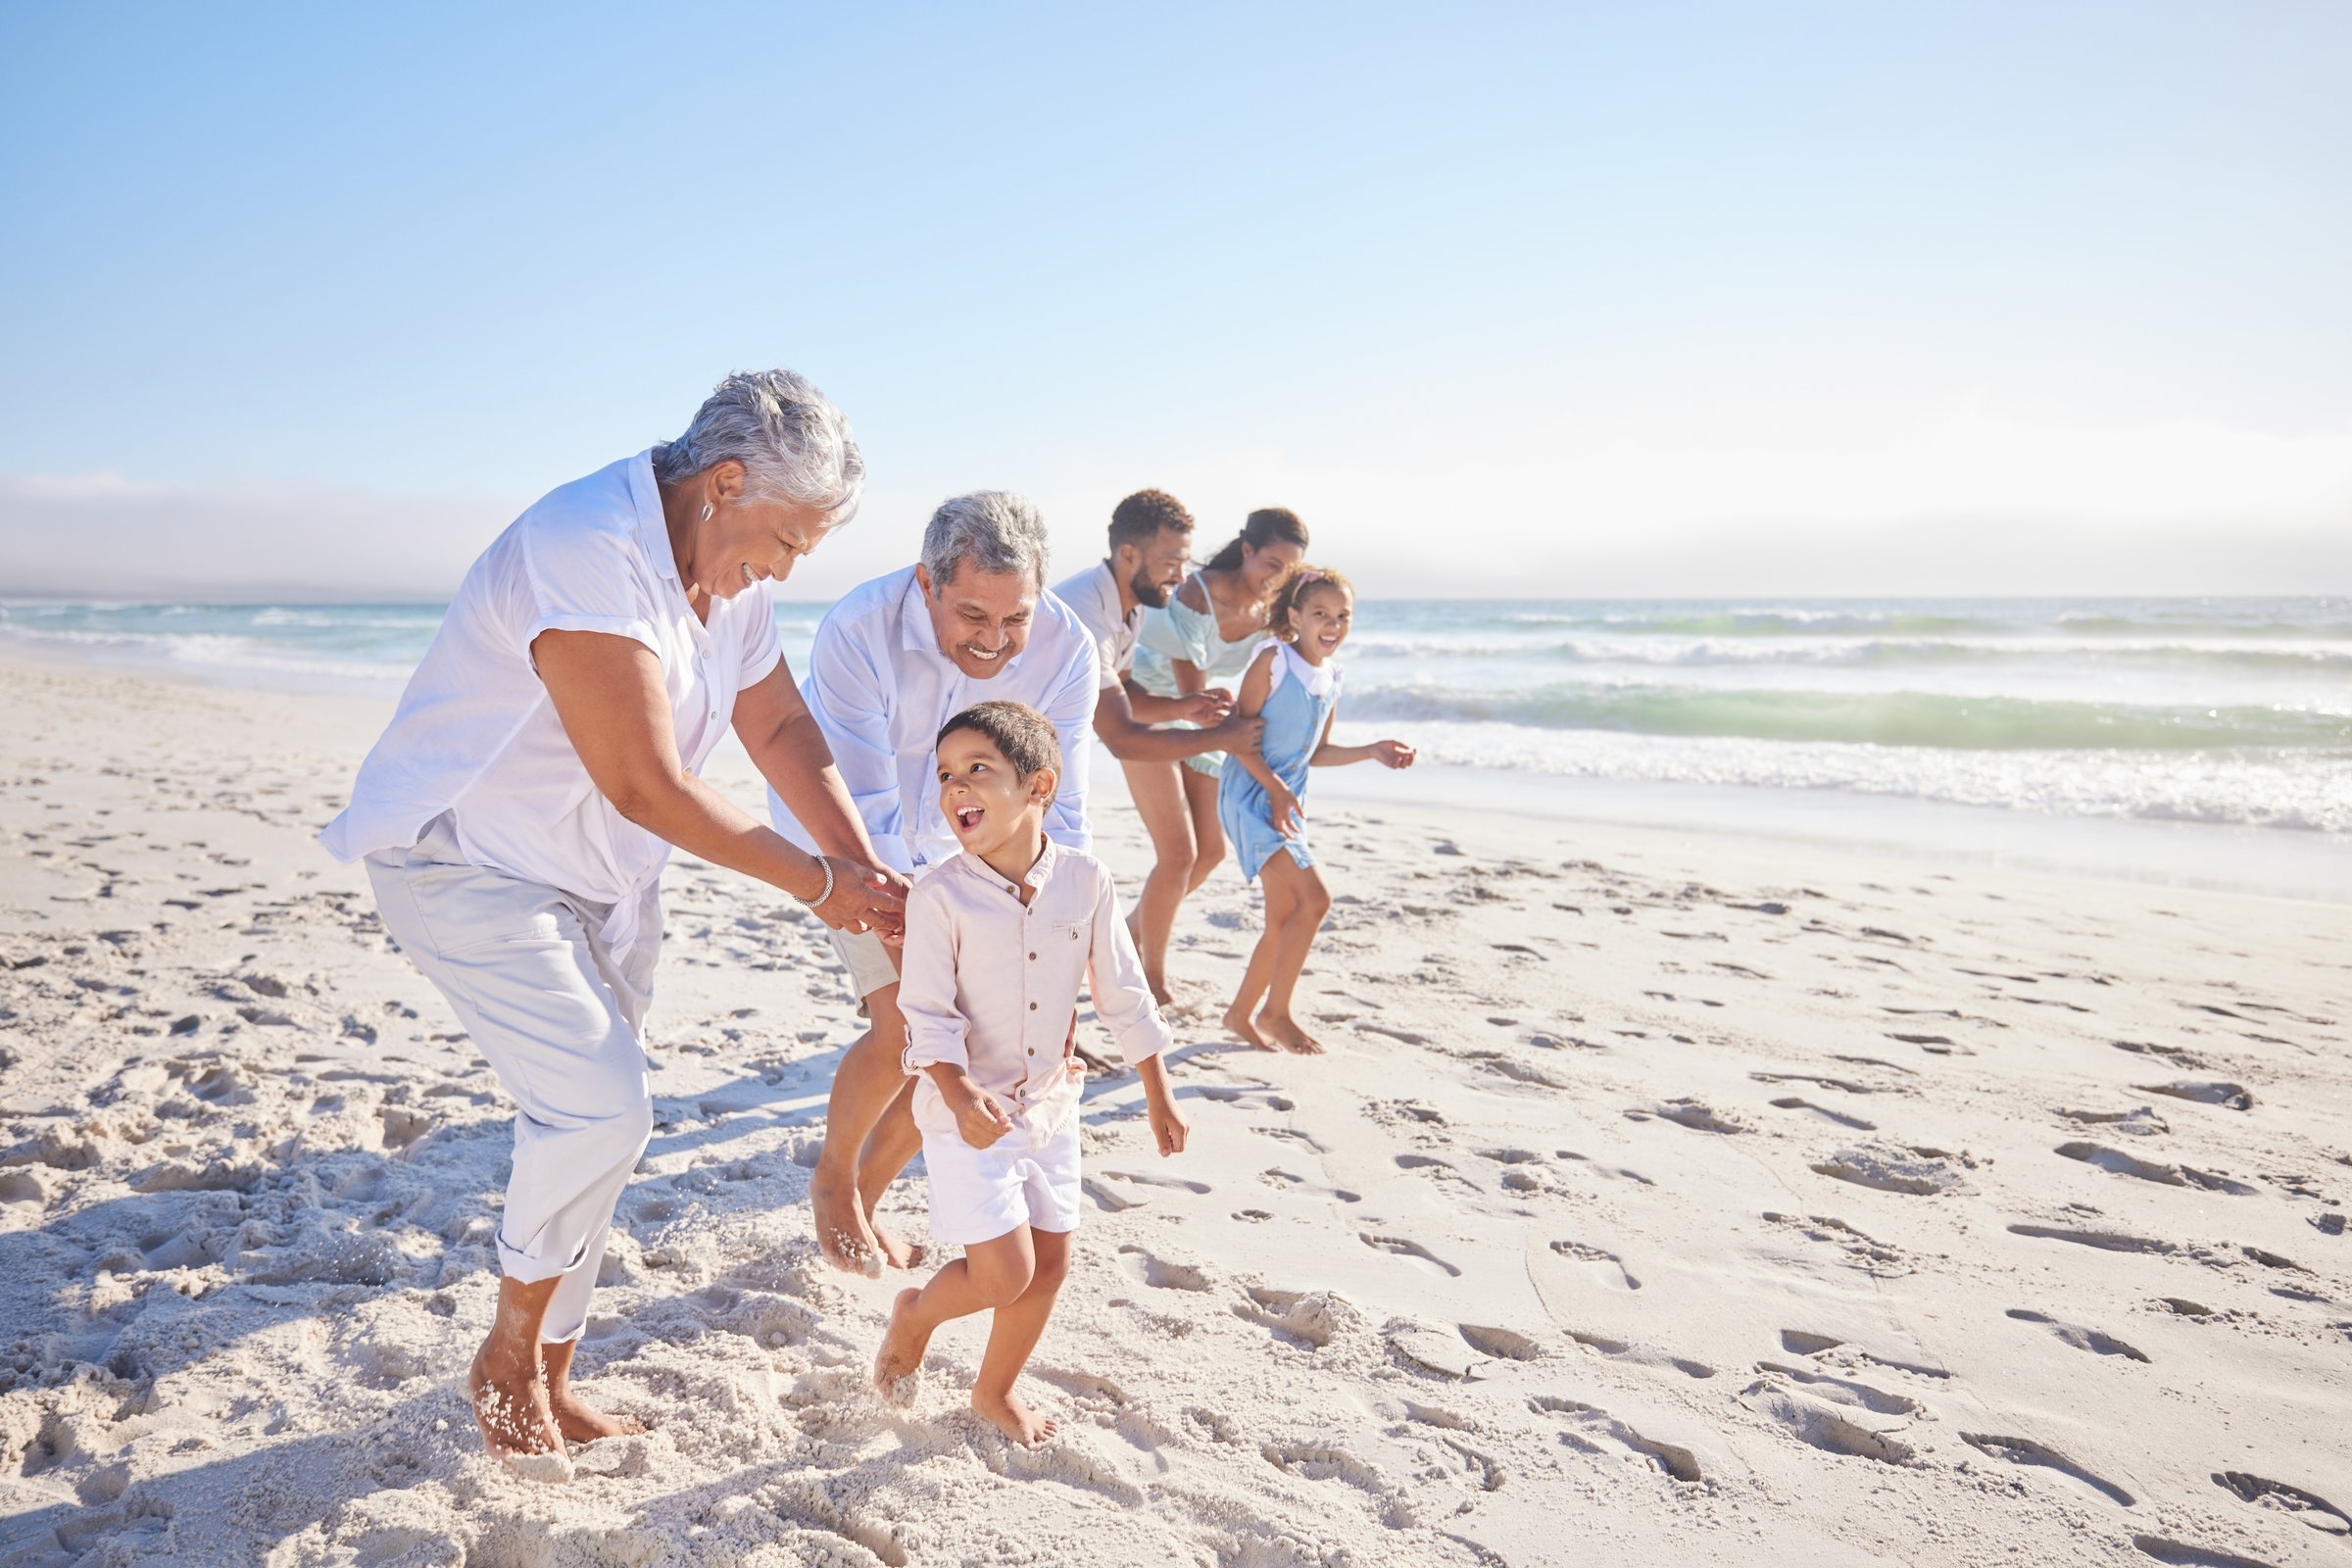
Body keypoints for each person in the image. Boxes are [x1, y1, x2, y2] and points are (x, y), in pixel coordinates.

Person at [319, 370, 906, 1479]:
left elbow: (776, 721)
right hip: (466, 861)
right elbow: (644, 779)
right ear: (724, 483)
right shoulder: (586, 542)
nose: (784, 568)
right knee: (599, 1108)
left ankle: (552, 1370)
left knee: (595, 1133)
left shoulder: (729, 572)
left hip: (601, 879)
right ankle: (504, 1360)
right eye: (785, 539)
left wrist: (866, 867)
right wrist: (820, 888)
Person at [770, 492, 1102, 1278]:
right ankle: (832, 1181)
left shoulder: (1067, 647)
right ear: (928, 584)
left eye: (1013, 619)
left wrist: (1059, 927)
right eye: (972, 616)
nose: (995, 642)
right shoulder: (861, 628)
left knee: (976, 1042)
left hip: (974, 849)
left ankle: (867, 1195)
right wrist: (933, 923)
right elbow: (869, 809)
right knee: (908, 1030)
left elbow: (1066, 804)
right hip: (848, 839)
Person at [872, 701, 1188, 1446]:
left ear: (1039, 786)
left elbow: (1121, 988)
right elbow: (925, 1012)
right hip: (963, 1112)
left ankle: (994, 1390)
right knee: (1001, 1274)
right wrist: (953, 1087)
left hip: (1052, 1104)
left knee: (1049, 1266)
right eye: (945, 776)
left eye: (978, 770)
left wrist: (1158, 1090)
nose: (956, 789)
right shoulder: (938, 894)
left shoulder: (1085, 881)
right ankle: (916, 1313)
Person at [1217, 566, 1416, 1054]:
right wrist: (1277, 791)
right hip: (1250, 796)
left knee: (1285, 914)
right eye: (1321, 614)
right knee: (1316, 899)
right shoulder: (1273, 661)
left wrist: (1371, 750)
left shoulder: (1333, 677)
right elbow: (1236, 740)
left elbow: (1316, 752)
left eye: (1343, 615)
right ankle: (1276, 1013)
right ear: (1295, 617)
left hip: (1287, 802)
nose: (1333, 624)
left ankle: (1241, 1015)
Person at [1124, 507, 1309, 1004]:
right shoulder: (1195, 595)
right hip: (1147, 709)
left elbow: (1284, 671)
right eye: (1272, 564)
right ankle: (1150, 977)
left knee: (1209, 853)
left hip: (1202, 713)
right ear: (1246, 551)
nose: (1280, 577)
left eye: (1291, 570)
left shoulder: (1274, 609)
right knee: (1178, 854)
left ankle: (1122, 936)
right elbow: (1194, 698)